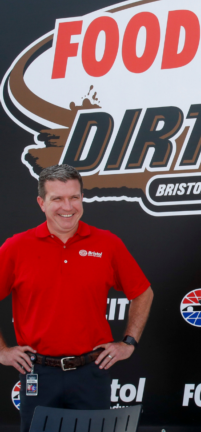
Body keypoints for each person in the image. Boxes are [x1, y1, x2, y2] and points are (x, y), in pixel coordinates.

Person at [0, 164, 154, 432]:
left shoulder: (107, 244)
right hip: (39, 374)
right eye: (57, 198)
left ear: (82, 198)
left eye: (74, 197)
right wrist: (1, 351)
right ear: (41, 203)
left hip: (91, 373)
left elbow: (143, 292)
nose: (67, 206)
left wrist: (129, 342)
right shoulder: (16, 247)